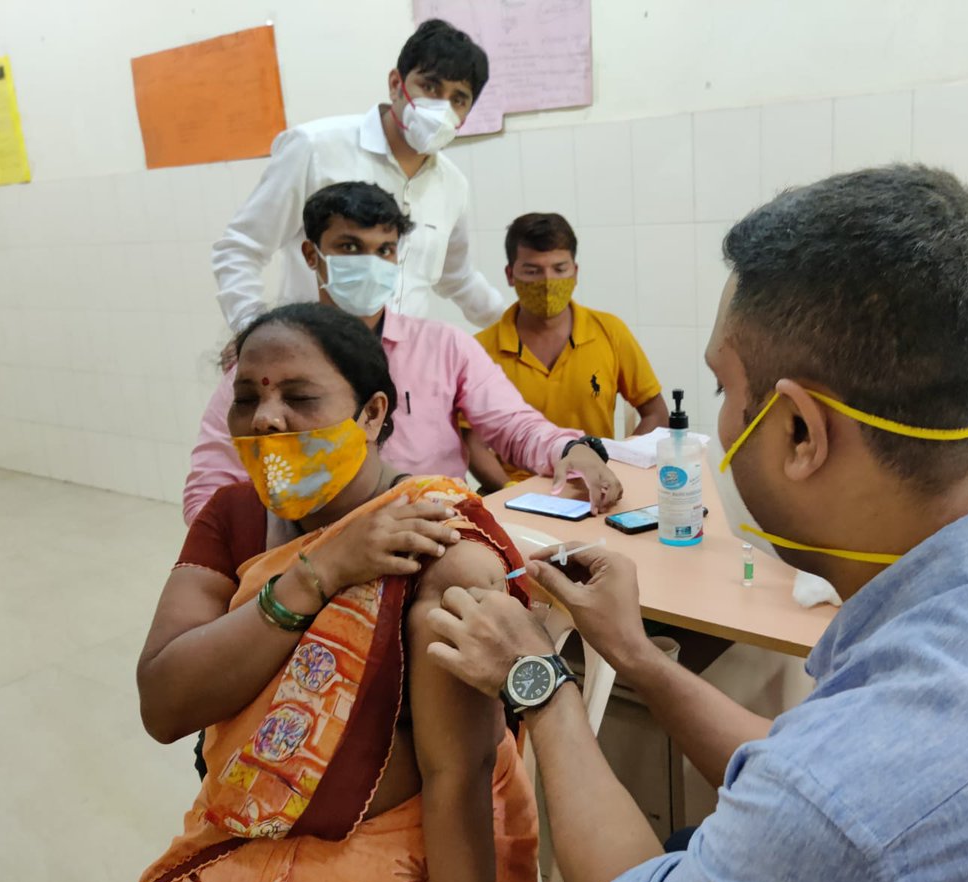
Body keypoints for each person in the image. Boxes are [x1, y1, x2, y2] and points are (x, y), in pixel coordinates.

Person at [423, 166, 968, 882]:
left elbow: (812, 812)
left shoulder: (846, 804)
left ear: (799, 433)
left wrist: (540, 681)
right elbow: (795, 768)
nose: (719, 423)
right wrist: (635, 657)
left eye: (724, 388)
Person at [135, 303, 538, 882]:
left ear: (373, 413)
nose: (266, 420)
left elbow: (458, 777)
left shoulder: (438, 540)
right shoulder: (234, 515)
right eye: (246, 398)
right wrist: (318, 572)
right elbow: (164, 706)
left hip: (389, 852)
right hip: (242, 835)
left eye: (299, 396)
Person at [186, 182, 623, 525]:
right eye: (350, 247)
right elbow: (209, 492)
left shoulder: (443, 346)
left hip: (437, 537)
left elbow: (514, 424)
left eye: (384, 250)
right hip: (315, 553)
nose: (370, 262)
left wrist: (569, 448)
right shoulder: (268, 360)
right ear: (312, 255)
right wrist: (285, 558)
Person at [212, 18, 504, 363]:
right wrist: (254, 330)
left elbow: (457, 278)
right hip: (312, 359)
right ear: (396, 84)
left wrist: (522, 322)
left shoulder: (452, 185)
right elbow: (240, 248)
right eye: (430, 87)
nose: (442, 108)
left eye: (458, 99)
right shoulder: (316, 148)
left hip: (402, 367)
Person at [465, 213, 668, 491]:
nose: (548, 282)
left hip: (596, 489)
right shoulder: (479, 350)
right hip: (513, 493)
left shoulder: (609, 332)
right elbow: (472, 444)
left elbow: (656, 414)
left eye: (559, 269)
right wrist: (512, 493)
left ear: (575, 271)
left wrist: (616, 471)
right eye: (533, 271)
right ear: (510, 275)